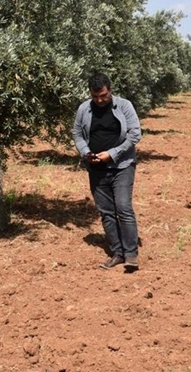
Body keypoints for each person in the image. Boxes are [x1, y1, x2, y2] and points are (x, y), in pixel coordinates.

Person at [72, 72, 142, 270]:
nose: (100, 100)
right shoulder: (84, 109)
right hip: (96, 168)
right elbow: (77, 133)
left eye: (103, 95)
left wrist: (112, 154)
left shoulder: (124, 106)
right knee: (107, 213)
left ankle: (131, 254)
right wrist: (86, 152)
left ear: (110, 90)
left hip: (122, 165)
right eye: (95, 97)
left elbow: (135, 134)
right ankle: (117, 253)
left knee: (123, 208)